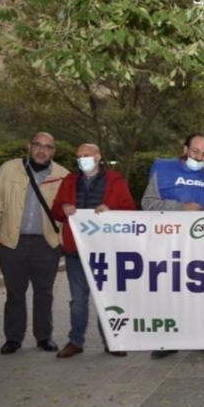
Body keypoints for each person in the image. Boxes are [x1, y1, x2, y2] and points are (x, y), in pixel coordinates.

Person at [142, 133, 204, 359]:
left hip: (202, 243)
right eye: (195, 152)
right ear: (185, 149)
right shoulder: (162, 168)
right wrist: (181, 208)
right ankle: (167, 341)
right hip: (169, 241)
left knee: (203, 290)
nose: (199, 157)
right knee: (170, 291)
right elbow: (147, 203)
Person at [0, 132, 69, 354]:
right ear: (29, 146)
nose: (42, 150)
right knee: (14, 293)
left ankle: (44, 337)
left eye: (48, 147)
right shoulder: (9, 168)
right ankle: (13, 338)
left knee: (44, 293)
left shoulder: (63, 176)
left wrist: (60, 243)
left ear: (53, 151)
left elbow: (69, 213)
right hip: (12, 243)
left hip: (46, 244)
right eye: (38, 145)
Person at [51, 143, 136, 358]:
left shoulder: (114, 180)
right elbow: (55, 210)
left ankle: (111, 341)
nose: (82, 159)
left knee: (106, 298)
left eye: (86, 155)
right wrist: (63, 208)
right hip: (75, 251)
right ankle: (75, 341)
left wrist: (111, 210)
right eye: (79, 156)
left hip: (106, 251)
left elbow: (130, 211)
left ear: (98, 157)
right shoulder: (70, 180)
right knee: (78, 300)